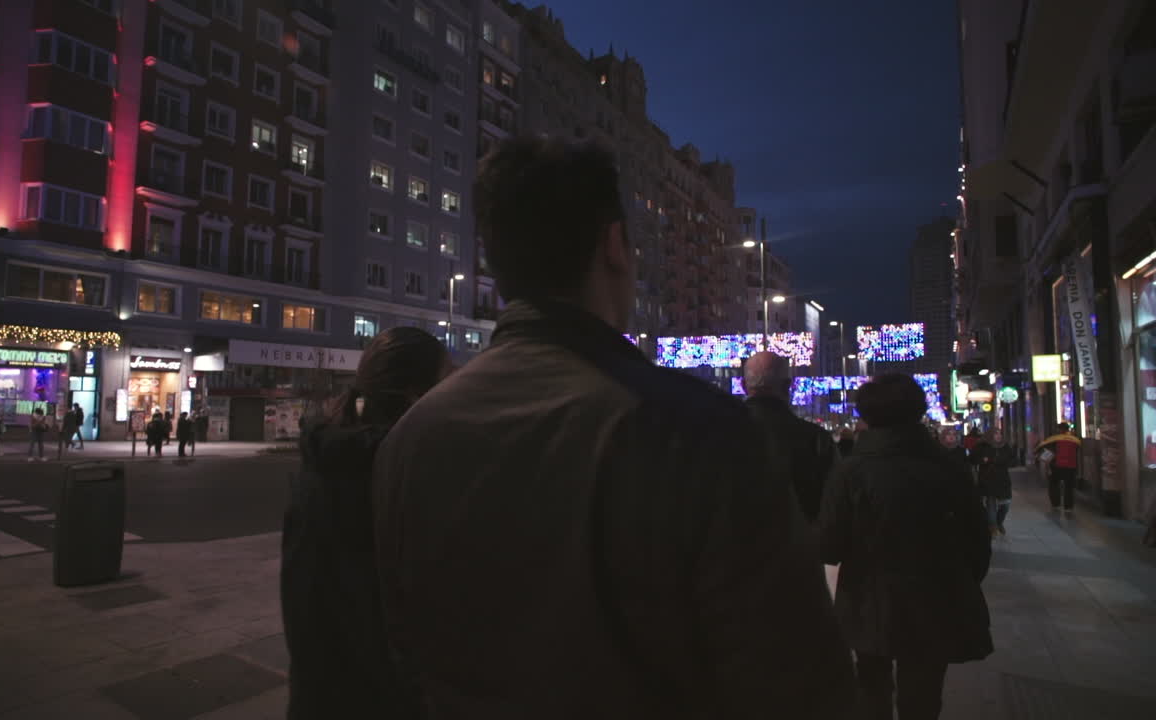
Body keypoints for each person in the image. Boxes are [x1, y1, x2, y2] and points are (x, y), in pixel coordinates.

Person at [372, 136, 856, 718]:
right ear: (615, 246)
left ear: (496, 264)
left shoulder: (410, 437)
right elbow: (799, 684)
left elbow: (405, 657)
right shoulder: (704, 432)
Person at [283, 327, 450, 720]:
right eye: (447, 380)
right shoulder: (399, 471)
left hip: (318, 694)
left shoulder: (327, 460)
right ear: (416, 394)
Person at [820, 374, 993, 720]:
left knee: (872, 688)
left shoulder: (851, 471)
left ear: (866, 416)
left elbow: (830, 545)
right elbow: (977, 540)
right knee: (924, 694)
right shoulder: (949, 466)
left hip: (870, 598)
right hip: (937, 595)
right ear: (918, 411)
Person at [742, 351, 839, 522]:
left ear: (743, 386)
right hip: (801, 541)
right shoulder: (816, 439)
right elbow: (833, 504)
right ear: (788, 385)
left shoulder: (715, 437)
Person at [974, 430, 1015, 536]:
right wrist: (983, 460)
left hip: (1003, 480)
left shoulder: (1005, 446)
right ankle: (993, 527)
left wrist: (1004, 461)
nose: (998, 436)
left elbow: (1013, 460)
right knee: (991, 505)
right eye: (996, 434)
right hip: (988, 480)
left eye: (1000, 434)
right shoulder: (982, 446)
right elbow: (973, 459)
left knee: (1005, 504)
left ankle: (999, 522)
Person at [1035, 422, 1082, 511]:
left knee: (1053, 484)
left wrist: (1040, 457)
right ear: (1068, 429)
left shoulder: (1053, 439)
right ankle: (1068, 506)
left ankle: (1056, 503)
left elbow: (1041, 448)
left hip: (1056, 466)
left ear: (1058, 429)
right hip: (1071, 466)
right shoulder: (1075, 440)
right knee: (1069, 487)